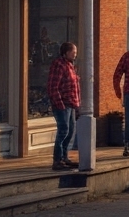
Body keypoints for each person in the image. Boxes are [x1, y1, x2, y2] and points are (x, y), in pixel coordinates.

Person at [47, 41, 80, 171]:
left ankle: (64, 157)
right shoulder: (59, 65)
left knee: (71, 130)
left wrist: (77, 105)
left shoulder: (70, 65)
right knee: (63, 130)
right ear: (66, 52)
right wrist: (59, 104)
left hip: (71, 103)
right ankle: (57, 159)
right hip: (63, 104)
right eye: (73, 52)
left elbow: (75, 86)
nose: (75, 55)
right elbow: (52, 86)